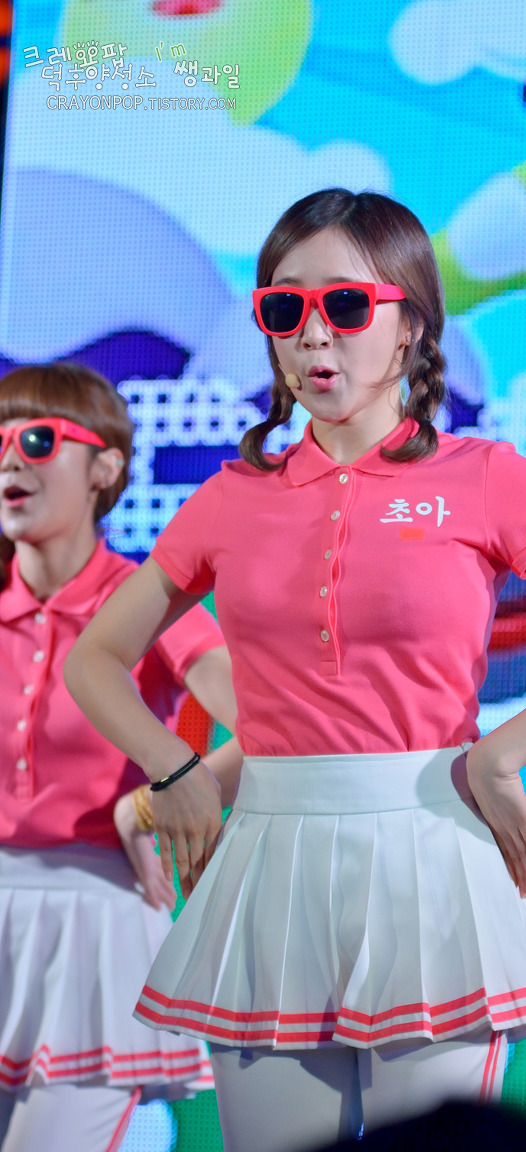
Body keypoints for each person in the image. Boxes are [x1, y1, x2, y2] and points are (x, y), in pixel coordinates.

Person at [65, 190, 526, 1152]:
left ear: (411, 325)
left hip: (431, 848)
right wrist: (176, 770)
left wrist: (499, 756)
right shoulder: (231, 498)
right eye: (285, 307)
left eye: (348, 305)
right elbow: (98, 657)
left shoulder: (485, 477)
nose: (314, 334)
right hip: (267, 863)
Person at [0, 362, 241, 1152]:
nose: (10, 459)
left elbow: (276, 728)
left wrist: (154, 802)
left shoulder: (146, 604)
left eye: (38, 440)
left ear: (105, 468)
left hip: (96, 921)